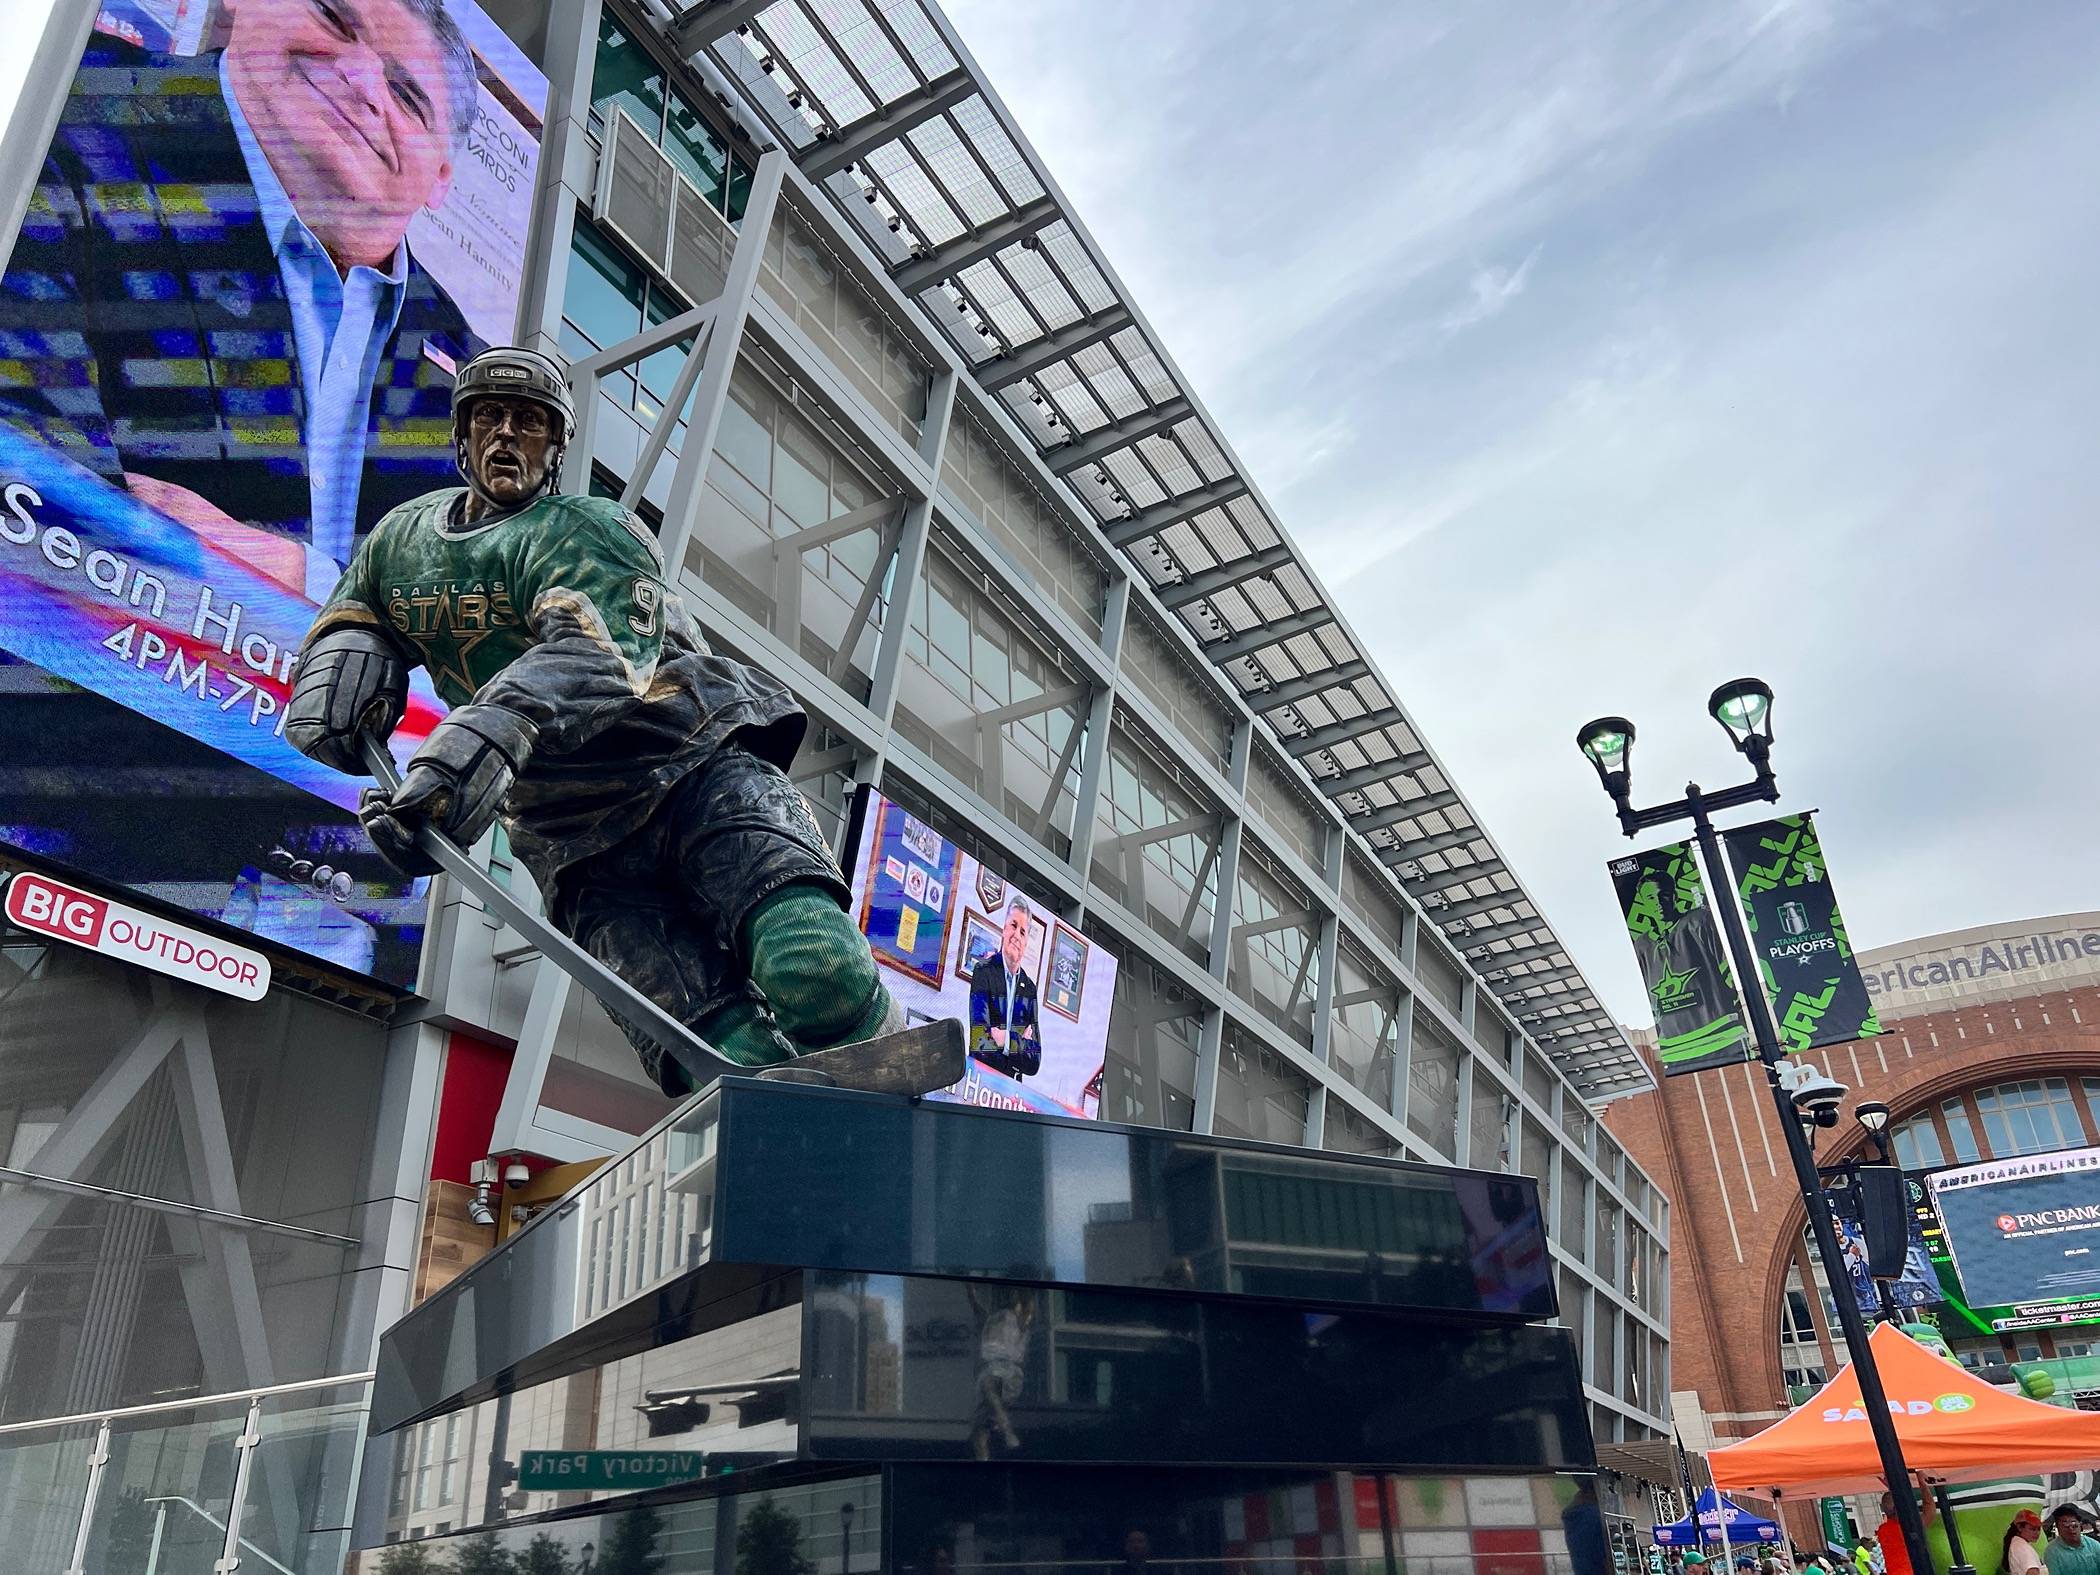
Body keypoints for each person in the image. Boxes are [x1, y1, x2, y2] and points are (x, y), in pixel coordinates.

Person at [288, 347, 956, 1093]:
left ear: (556, 448)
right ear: (463, 434)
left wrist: (489, 727)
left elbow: (602, 651)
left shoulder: (592, 527)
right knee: (719, 1058)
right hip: (571, 839)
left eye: (532, 422)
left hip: (691, 767)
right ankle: (803, 1165)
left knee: (814, 970)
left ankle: (903, 1088)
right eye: (491, 416)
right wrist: (357, 688)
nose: (509, 434)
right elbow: (351, 623)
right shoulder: (399, 542)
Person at [0, 0, 487, 597]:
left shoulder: (474, 379)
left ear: (440, 177)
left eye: (408, 97)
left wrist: (299, 578)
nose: (362, 82)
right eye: (334, 19)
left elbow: (482, 633)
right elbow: (34, 487)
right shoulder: (71, 105)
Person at [968, 895, 1043, 1078]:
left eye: (1023, 932)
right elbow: (979, 1042)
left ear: (1026, 943)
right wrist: (1019, 1049)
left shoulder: (1030, 990)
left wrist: (1005, 1039)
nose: (1017, 936)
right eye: (1013, 926)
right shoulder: (983, 971)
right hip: (979, 1080)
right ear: (1004, 929)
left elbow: (1035, 1061)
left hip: (1011, 1093)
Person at [2045, 1507, 2100, 1575]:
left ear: (2080, 1525)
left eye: (2074, 1525)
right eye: (2066, 1526)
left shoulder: (2093, 1545)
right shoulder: (2052, 1552)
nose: (2071, 1529)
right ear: (2058, 1528)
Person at [2005, 1510, 2046, 1575]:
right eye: (2032, 1529)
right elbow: (2032, 1572)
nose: (2037, 1533)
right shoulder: (2022, 1548)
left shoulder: (2018, 1544)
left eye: (2038, 1529)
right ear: (2019, 1527)